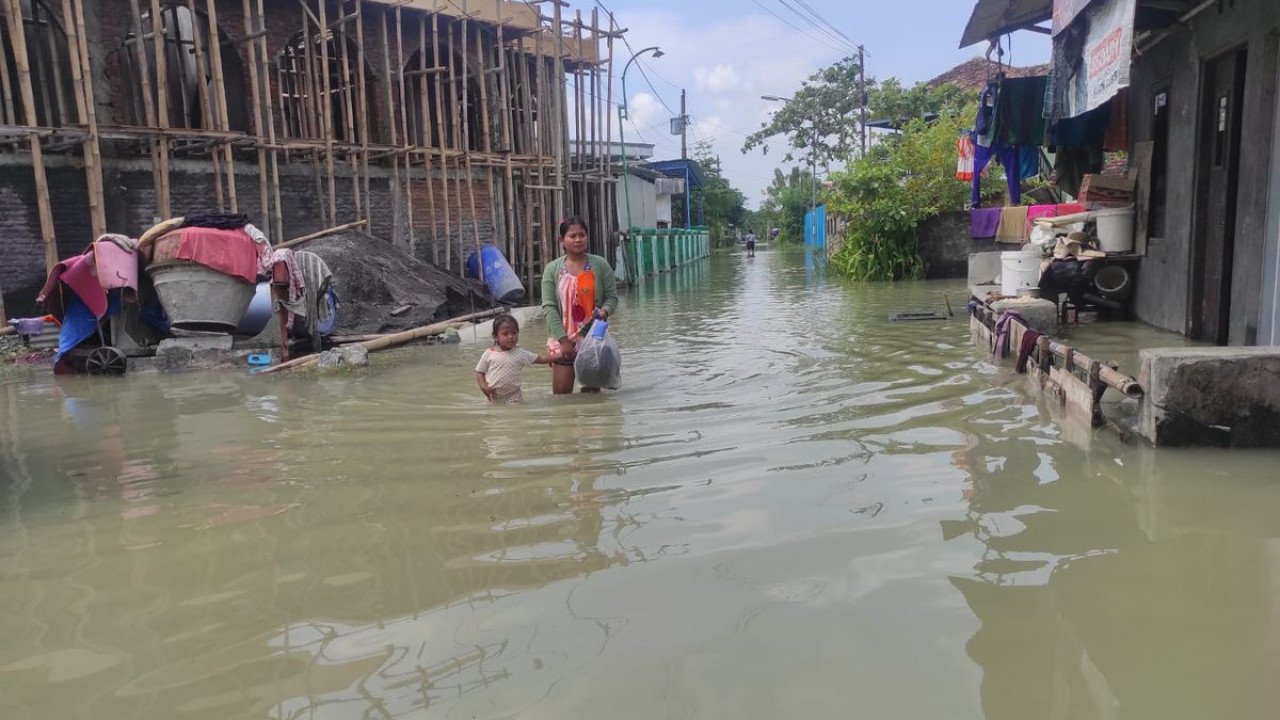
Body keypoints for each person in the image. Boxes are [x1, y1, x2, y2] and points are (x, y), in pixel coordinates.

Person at [541, 217, 619, 394]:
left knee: (592, 396)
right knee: (562, 397)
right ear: (562, 240)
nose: (578, 239)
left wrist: (606, 311)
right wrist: (563, 340)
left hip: (592, 338)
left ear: (587, 237)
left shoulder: (600, 264)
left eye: (582, 235)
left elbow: (612, 298)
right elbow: (549, 307)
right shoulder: (552, 269)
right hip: (563, 341)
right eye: (572, 236)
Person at [475, 315, 559, 403]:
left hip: (514, 397)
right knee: (494, 414)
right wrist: (484, 387)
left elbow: (541, 359)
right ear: (496, 336)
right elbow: (480, 371)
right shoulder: (489, 353)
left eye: (514, 333)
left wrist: (560, 355)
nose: (511, 336)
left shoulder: (520, 353)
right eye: (505, 334)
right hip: (492, 397)